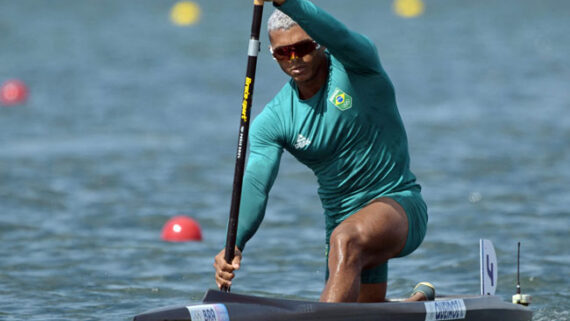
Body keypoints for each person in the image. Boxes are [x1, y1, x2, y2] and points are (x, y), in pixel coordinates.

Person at [214, 0, 432, 303]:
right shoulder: (274, 120)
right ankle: (417, 304)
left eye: (302, 47)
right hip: (342, 224)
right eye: (282, 53)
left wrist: (287, 2)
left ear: (320, 43)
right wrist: (235, 243)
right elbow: (256, 184)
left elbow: (339, 34)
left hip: (398, 207)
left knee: (345, 241)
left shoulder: (358, 66)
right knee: (364, 310)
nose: (294, 59)